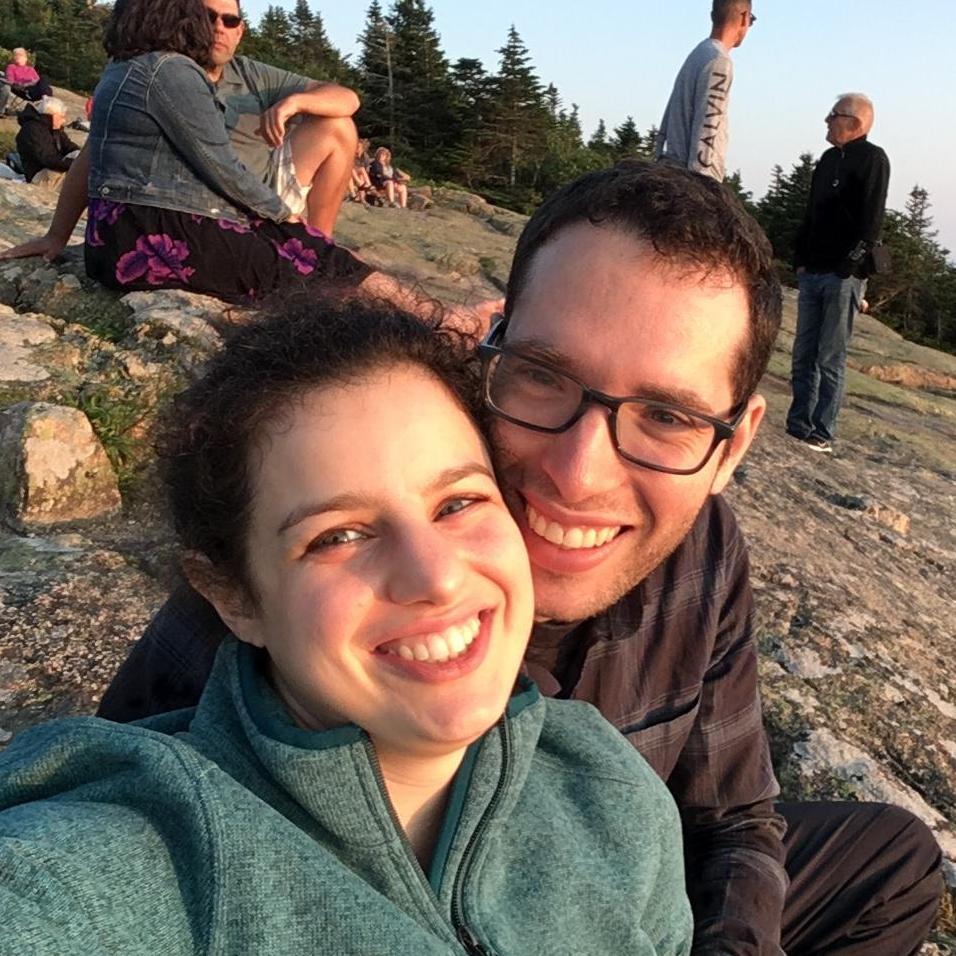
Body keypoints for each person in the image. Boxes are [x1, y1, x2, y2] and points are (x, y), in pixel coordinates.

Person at [99, 161, 943, 954]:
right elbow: (120, 805)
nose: (580, 472)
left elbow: (734, 820)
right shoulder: (322, 551)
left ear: (733, 445)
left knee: (894, 863)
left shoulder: (706, 554)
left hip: (635, 890)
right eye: (543, 375)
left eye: (669, 417)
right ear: (490, 349)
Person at [0, 300, 693, 956]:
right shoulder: (142, 851)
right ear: (235, 596)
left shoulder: (614, 794)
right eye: (340, 536)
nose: (435, 577)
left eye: (458, 503)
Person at [0, 0, 359, 264]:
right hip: (207, 201)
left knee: (338, 125)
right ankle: (311, 254)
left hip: (263, 191)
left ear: (240, 31)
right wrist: (56, 235)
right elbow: (99, 148)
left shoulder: (253, 74)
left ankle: (318, 242)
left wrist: (294, 103)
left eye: (229, 20)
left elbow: (347, 98)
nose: (218, 27)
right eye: (207, 16)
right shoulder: (166, 73)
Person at [786, 92, 890, 453]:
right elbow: (811, 211)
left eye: (832, 115)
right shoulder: (828, 159)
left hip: (843, 276)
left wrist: (848, 267)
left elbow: (872, 221)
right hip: (812, 269)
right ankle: (797, 424)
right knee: (803, 353)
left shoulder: (873, 159)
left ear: (855, 122)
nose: (827, 121)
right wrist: (799, 257)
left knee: (830, 356)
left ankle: (822, 431)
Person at [654, 0, 755, 181]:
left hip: (670, 170)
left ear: (712, 16)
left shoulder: (698, 53)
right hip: (689, 182)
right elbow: (707, 133)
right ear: (744, 17)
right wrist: (705, 190)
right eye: (751, 20)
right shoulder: (719, 61)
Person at [14, 95, 80, 188]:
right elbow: (46, 159)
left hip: (53, 168)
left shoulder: (54, 129)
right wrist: (74, 165)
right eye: (62, 117)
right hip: (40, 175)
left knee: (78, 155)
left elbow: (69, 147)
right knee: (78, 178)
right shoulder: (32, 130)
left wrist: (81, 159)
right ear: (53, 116)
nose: (64, 120)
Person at [348, 136, 373, 203]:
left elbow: (366, 170)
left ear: (362, 148)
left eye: (358, 147)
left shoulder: (365, 157)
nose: (356, 148)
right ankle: (361, 185)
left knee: (361, 172)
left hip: (358, 175)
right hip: (350, 174)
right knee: (351, 170)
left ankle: (362, 197)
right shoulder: (351, 155)